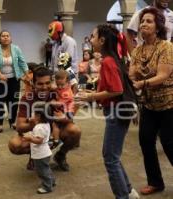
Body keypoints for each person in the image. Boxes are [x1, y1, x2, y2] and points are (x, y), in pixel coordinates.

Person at [75, 24, 140, 199]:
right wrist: (91, 93)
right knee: (113, 156)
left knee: (110, 158)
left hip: (115, 112)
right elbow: (112, 88)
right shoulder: (112, 59)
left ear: (102, 41)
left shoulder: (108, 62)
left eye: (93, 36)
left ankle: (123, 196)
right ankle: (128, 191)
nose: (91, 39)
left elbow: (117, 90)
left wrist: (91, 97)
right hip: (116, 111)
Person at [129, 7, 173, 195]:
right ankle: (155, 182)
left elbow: (163, 75)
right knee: (146, 142)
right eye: (143, 21)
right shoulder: (138, 50)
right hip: (148, 104)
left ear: (158, 26)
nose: (144, 24)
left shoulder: (167, 47)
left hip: (169, 104)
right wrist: (136, 81)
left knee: (170, 144)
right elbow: (131, 73)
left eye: (149, 21)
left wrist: (142, 82)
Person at [8, 66, 81, 171]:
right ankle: (35, 157)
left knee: (75, 131)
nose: (44, 87)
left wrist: (64, 116)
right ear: (34, 84)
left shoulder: (58, 92)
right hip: (36, 133)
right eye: (40, 84)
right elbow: (19, 127)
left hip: (55, 131)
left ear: (51, 82)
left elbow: (70, 116)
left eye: (47, 83)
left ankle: (60, 156)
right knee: (15, 144)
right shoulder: (28, 98)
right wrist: (32, 124)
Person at [0, 30, 29, 133]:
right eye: (3, 36)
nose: (5, 37)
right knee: (0, 102)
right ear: (0, 38)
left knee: (14, 102)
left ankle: (12, 121)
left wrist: (27, 74)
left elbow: (22, 62)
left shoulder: (16, 49)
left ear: (10, 38)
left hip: (14, 79)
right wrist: (0, 75)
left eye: (7, 36)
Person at [22, 103, 55, 194]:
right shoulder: (46, 124)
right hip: (45, 153)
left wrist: (29, 138)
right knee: (46, 168)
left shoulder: (39, 127)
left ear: (38, 116)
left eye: (33, 113)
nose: (32, 114)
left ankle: (47, 186)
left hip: (40, 154)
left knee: (42, 171)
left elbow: (39, 140)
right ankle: (52, 181)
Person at [50, 70, 74, 148]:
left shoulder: (67, 92)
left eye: (62, 85)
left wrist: (51, 102)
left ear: (68, 83)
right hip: (63, 110)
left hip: (67, 112)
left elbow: (59, 104)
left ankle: (56, 141)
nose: (59, 87)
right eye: (58, 84)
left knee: (55, 124)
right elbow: (54, 87)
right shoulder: (61, 88)